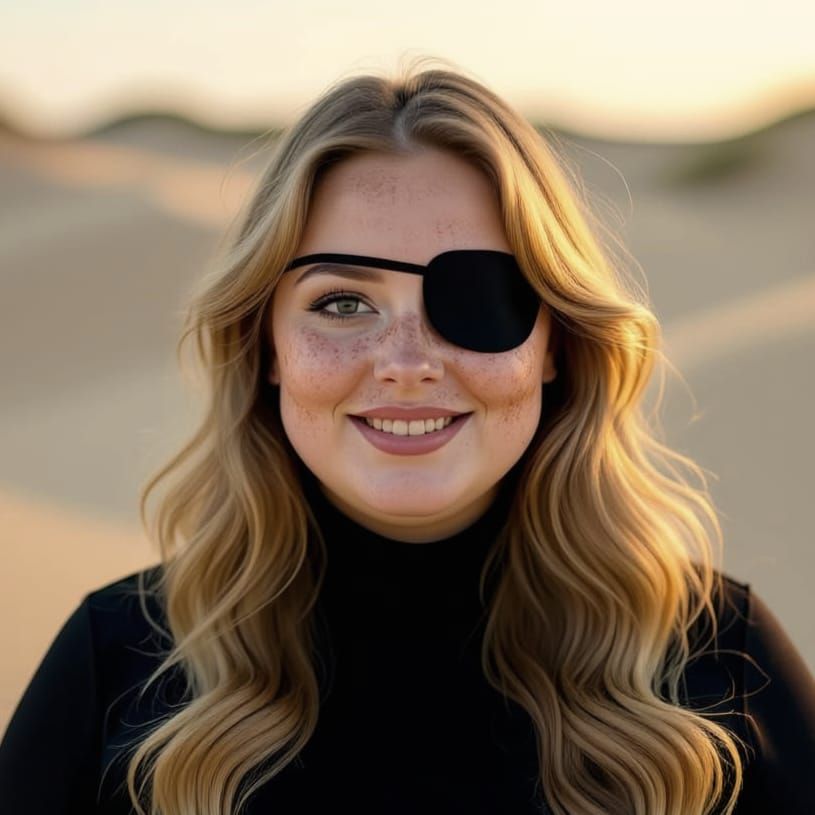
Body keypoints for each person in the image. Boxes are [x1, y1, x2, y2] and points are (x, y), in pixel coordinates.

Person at [1, 56, 814, 815]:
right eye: (342, 303)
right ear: (265, 346)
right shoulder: (116, 665)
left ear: (555, 346)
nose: (405, 363)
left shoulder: (719, 661)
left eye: (477, 300)